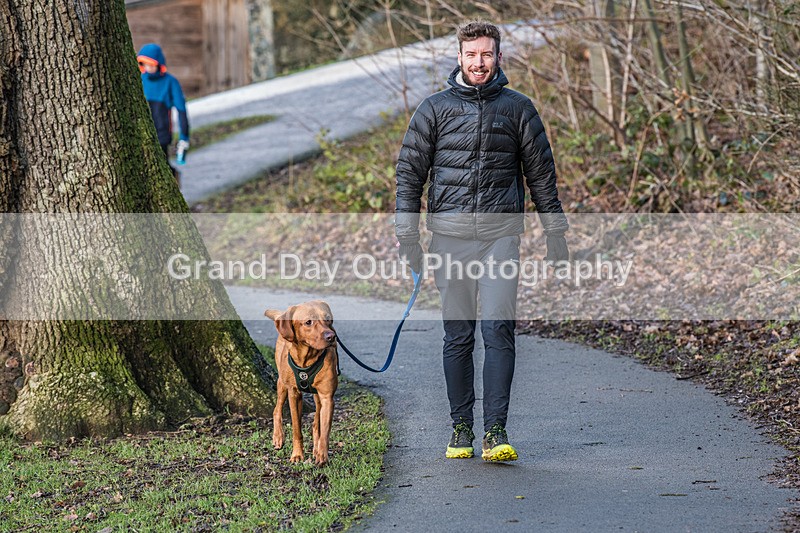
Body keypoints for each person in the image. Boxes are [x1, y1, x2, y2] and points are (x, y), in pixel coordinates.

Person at [394, 20, 570, 462]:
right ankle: (460, 428)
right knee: (457, 336)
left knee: (498, 332)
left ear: (498, 57)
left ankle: (495, 431)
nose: (479, 63)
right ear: (459, 57)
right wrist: (407, 236)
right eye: (471, 55)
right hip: (448, 239)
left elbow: (541, 175)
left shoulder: (518, 109)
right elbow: (409, 176)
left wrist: (555, 234)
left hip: (500, 240)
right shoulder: (432, 110)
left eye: (487, 54)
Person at [137, 43, 190, 187]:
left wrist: (184, 137)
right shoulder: (139, 80)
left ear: (159, 63)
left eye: (151, 64)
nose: (148, 68)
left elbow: (181, 110)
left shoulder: (170, 82)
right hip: (142, 131)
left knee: (162, 165)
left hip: (162, 133)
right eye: (144, 64)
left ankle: (173, 184)